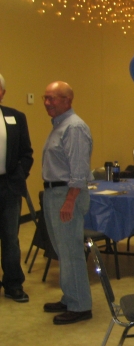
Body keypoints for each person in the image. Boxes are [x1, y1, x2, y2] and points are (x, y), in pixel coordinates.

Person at [41, 81, 93, 325]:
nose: (47, 102)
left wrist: (70, 200)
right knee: (63, 251)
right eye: (46, 98)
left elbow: (79, 170)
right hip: (55, 194)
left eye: (53, 98)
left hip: (66, 195)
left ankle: (80, 305)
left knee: (71, 252)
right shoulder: (59, 126)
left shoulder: (74, 128)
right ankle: (70, 296)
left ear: (68, 100)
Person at [0, 73, 33, 303]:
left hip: (8, 185)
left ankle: (13, 283)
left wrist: (18, 177)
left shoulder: (15, 117)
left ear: (2, 92)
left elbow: (26, 153)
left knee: (10, 237)